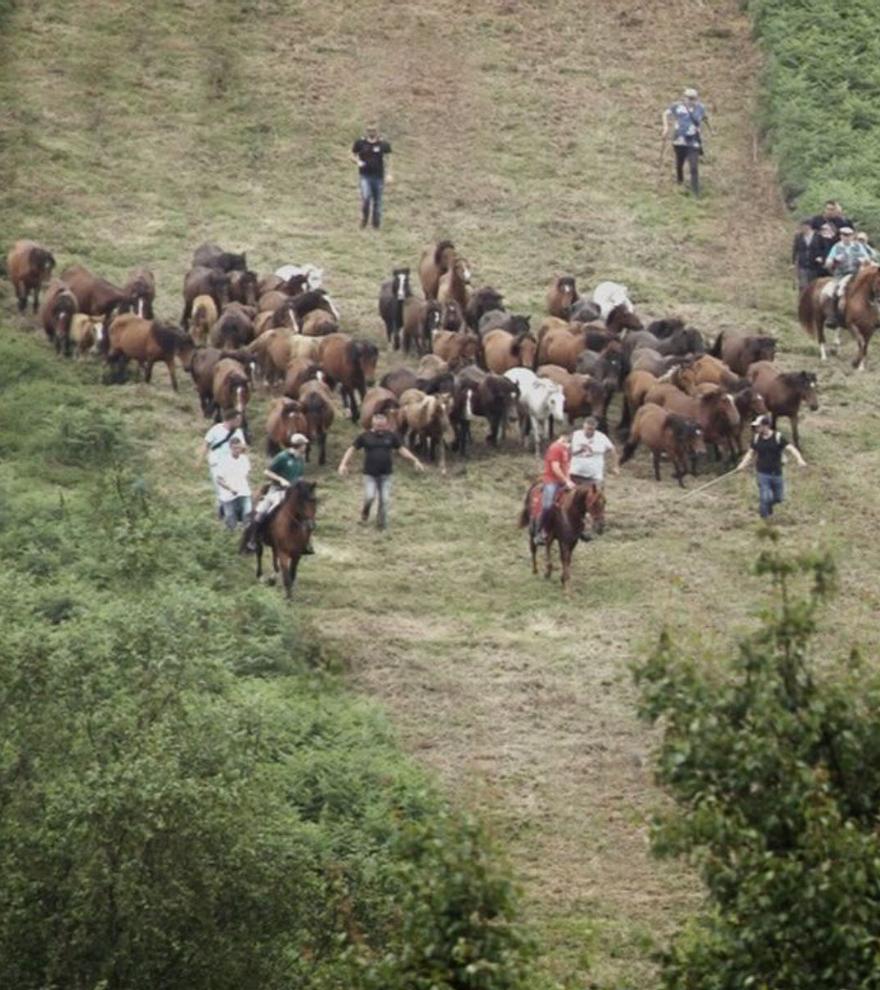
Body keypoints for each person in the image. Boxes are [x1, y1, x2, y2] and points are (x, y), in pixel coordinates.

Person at [337, 411, 423, 530]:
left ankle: (381, 525)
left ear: (386, 424)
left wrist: (414, 460)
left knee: (385, 500)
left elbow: (402, 449)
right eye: (378, 425)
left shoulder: (391, 436)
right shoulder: (365, 436)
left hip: (386, 475)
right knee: (370, 497)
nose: (380, 428)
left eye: (382, 425)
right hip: (370, 475)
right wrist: (343, 464)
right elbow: (351, 449)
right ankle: (365, 512)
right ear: (373, 424)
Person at [243, 433, 313, 552]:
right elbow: (267, 472)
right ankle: (253, 539)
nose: (305, 447)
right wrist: (281, 479)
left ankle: (305, 543)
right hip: (277, 490)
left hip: (293, 493)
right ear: (299, 445)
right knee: (262, 512)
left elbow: (300, 476)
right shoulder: (282, 457)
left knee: (307, 513)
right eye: (304, 445)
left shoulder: (301, 459)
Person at [736, 415, 807, 520]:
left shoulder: (777, 437)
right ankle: (765, 519)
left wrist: (800, 459)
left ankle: (765, 507)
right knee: (766, 497)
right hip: (762, 473)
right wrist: (742, 464)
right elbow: (750, 453)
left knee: (779, 498)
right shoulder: (756, 438)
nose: (756, 428)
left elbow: (791, 449)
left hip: (777, 473)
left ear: (766, 426)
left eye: (758, 426)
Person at [662, 87, 710, 196]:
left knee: (694, 166)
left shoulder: (700, 108)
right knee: (680, 162)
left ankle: (695, 192)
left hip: (693, 142)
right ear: (684, 98)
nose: (691, 101)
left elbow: (705, 118)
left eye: (693, 98)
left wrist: (711, 130)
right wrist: (665, 128)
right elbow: (665, 113)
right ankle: (680, 181)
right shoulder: (677, 106)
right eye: (689, 98)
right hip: (679, 141)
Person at [199, 409, 246, 516]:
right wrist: (200, 460)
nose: (239, 422)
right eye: (238, 420)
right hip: (217, 463)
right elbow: (206, 444)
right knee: (220, 487)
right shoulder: (216, 429)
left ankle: (227, 510)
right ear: (231, 419)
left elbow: (243, 448)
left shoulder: (238, 432)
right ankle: (222, 510)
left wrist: (241, 449)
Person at [534, 432, 574, 546]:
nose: (569, 445)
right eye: (568, 442)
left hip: (563, 480)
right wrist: (566, 481)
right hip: (551, 481)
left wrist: (569, 480)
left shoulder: (565, 450)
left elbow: (567, 466)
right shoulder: (555, 448)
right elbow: (555, 468)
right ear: (563, 439)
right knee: (547, 505)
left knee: (578, 500)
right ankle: (539, 531)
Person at [351, 123, 392, 230]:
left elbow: (388, 159)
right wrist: (357, 161)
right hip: (365, 176)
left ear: (377, 131)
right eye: (369, 130)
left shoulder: (383, 144)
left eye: (373, 130)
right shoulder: (360, 143)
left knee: (377, 201)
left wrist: (389, 173)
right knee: (366, 198)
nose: (371, 132)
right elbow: (352, 155)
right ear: (366, 131)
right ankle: (364, 220)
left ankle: (376, 225)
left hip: (378, 177)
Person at [214, 436, 252, 530]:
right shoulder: (223, 461)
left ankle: (246, 533)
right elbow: (219, 480)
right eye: (235, 448)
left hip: (244, 492)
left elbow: (246, 475)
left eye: (238, 447)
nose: (237, 450)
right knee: (230, 518)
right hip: (228, 494)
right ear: (230, 447)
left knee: (248, 512)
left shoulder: (244, 459)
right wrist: (230, 489)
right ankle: (231, 535)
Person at [570, 417, 620, 486]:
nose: (589, 431)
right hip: (575, 473)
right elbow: (567, 451)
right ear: (583, 426)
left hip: (594, 475)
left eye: (592, 429)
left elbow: (613, 449)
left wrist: (615, 466)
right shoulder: (576, 435)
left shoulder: (601, 437)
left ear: (595, 427)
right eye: (588, 429)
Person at [791, 218, 821, 290]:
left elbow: (822, 248)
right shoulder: (798, 237)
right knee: (803, 285)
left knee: (812, 285)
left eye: (804, 227)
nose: (802, 229)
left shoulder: (818, 236)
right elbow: (795, 250)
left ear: (809, 227)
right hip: (802, 264)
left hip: (814, 264)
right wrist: (793, 263)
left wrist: (821, 257)